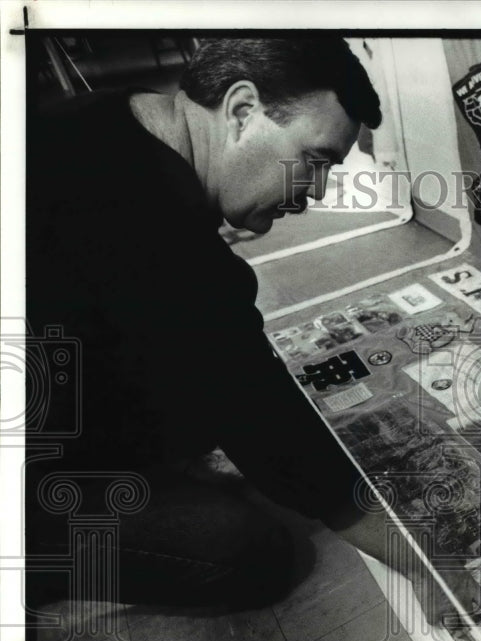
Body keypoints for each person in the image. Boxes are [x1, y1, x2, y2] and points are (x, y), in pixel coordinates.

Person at [25, 38, 398, 609]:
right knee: (246, 552)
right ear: (242, 111)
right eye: (316, 160)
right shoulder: (155, 238)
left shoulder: (118, 116)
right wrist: (425, 560)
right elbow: (263, 418)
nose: (317, 192)